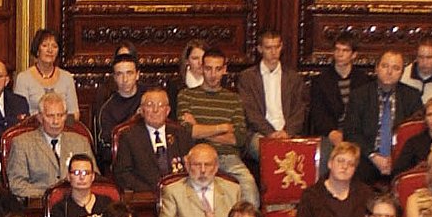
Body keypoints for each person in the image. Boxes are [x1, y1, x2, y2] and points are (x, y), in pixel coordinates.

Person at [343, 50, 423, 187]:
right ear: (376, 68)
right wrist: (373, 156)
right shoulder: (359, 95)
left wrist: (396, 159)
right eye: (385, 66)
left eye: (396, 68)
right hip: (366, 159)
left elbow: (416, 134)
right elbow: (351, 132)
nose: (389, 72)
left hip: (401, 161)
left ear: (402, 73)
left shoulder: (412, 96)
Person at [177, 50, 255, 186]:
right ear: (201, 68)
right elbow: (186, 132)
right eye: (208, 68)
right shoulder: (186, 95)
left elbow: (239, 138)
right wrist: (222, 128)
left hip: (227, 157)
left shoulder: (234, 99)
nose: (213, 75)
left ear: (224, 70)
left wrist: (199, 128)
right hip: (197, 155)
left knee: (248, 183)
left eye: (218, 69)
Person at [9, 93, 94, 203]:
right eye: (50, 116)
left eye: (60, 115)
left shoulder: (80, 142)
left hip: (77, 203)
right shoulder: (22, 143)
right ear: (40, 117)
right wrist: (52, 195)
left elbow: (94, 176)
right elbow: (16, 185)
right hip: (40, 206)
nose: (56, 121)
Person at [238, 29, 308, 161]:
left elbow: (299, 110)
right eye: (268, 48)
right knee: (271, 154)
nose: (273, 52)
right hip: (260, 134)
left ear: (281, 47)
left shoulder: (293, 78)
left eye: (276, 47)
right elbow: (250, 112)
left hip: (289, 133)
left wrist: (286, 132)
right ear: (260, 49)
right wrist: (271, 133)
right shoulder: (247, 77)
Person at [155, 144, 240, 217]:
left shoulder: (232, 189)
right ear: (187, 165)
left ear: (216, 167)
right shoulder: (173, 191)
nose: (203, 170)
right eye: (197, 165)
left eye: (208, 164)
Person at [298, 141, 367, 217]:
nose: (344, 167)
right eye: (340, 161)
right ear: (330, 163)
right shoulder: (311, 195)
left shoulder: (365, 194)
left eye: (350, 164)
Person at [113, 88, 191, 194]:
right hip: (144, 196)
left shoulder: (181, 134)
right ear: (142, 110)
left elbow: (191, 167)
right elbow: (122, 173)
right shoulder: (129, 136)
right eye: (150, 105)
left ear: (167, 111)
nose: (155, 110)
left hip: (179, 195)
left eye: (160, 105)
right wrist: (153, 191)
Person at [46, 155, 110, 217]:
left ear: (93, 176)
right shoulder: (61, 208)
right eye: (76, 173)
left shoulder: (107, 203)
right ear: (68, 176)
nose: (81, 177)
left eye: (86, 173)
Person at [308, 33, 364, 141]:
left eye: (345, 50)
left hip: (357, 133)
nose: (340, 54)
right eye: (337, 50)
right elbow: (318, 113)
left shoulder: (363, 80)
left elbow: (366, 113)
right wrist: (331, 132)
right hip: (329, 133)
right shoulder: (321, 81)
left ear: (354, 55)